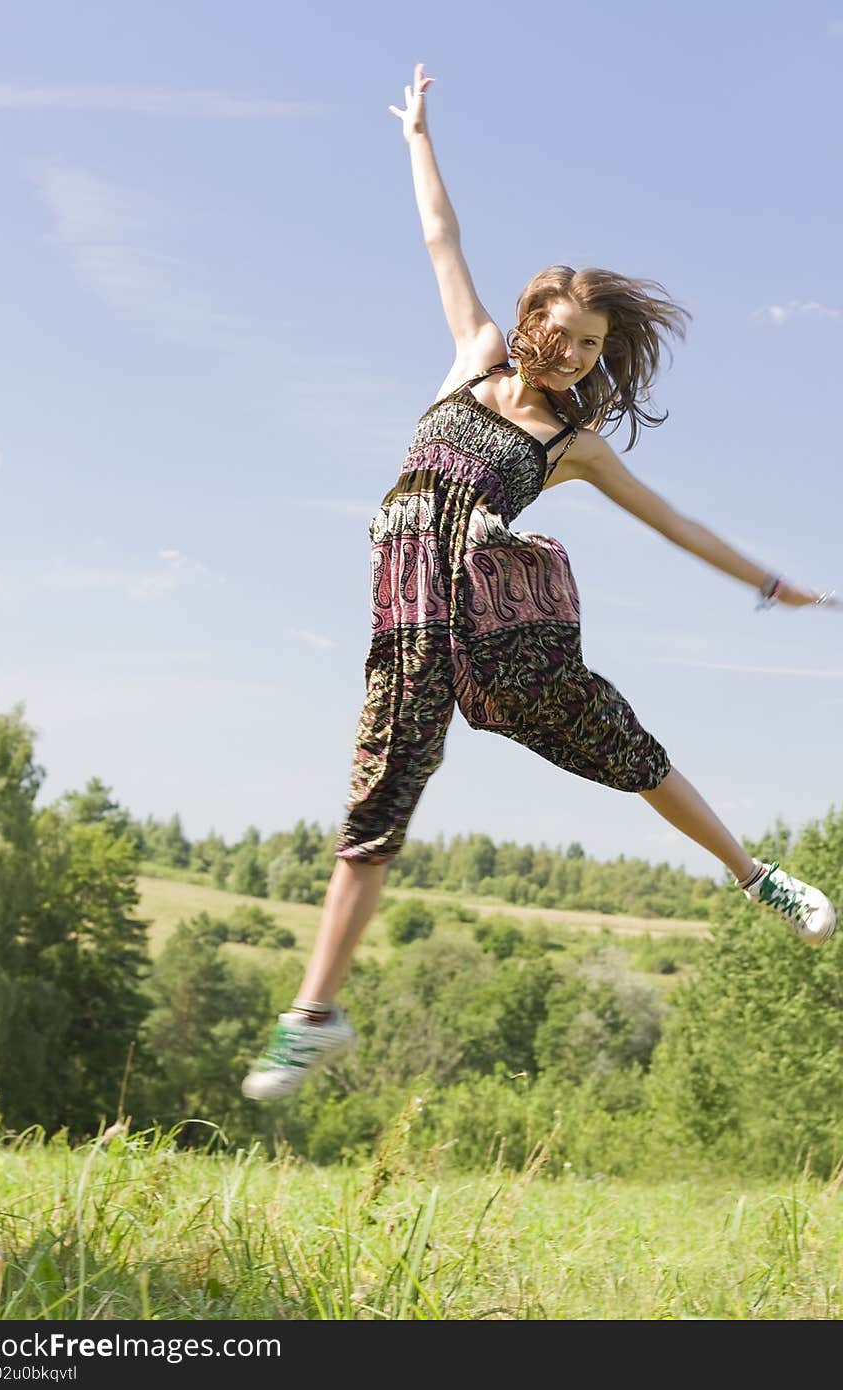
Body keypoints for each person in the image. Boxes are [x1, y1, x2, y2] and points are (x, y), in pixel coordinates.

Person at [242, 63, 837, 1102]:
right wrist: (416, 134)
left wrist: (768, 581)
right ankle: (314, 1013)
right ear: (531, 318)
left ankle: (756, 876)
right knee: (380, 794)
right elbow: (440, 238)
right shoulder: (470, 358)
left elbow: (676, 523)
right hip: (410, 619)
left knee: (615, 736)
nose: (570, 349)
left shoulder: (575, 443)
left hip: (498, 619)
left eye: (591, 344)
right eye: (560, 329)